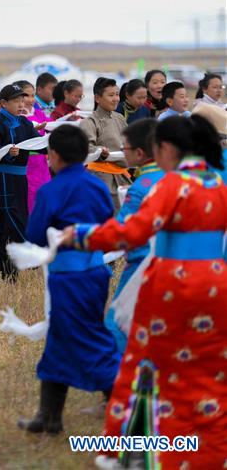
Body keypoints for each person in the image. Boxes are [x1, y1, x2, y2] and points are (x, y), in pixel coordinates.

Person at [65, 115, 227, 470]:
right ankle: (209, 456)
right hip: (216, 286)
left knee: (145, 369)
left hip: (172, 288)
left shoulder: (173, 185)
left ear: (166, 149)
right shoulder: (217, 182)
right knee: (210, 372)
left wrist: (78, 236)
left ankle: (135, 452)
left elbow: (130, 232)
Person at [18, 125, 120, 435]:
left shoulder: (51, 190)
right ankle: (49, 418)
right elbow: (108, 226)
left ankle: (122, 398)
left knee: (87, 338)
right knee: (61, 339)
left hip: (67, 276)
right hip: (97, 271)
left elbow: (34, 235)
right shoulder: (97, 186)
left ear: (54, 156)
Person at [102, 119, 164, 351]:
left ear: (139, 153)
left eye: (124, 148)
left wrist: (82, 239)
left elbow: (121, 232)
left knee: (117, 325)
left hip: (141, 267)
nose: (122, 152)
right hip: (171, 266)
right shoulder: (173, 178)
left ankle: (119, 383)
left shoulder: (141, 187)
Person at [0, 84, 42, 280]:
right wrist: (7, 152)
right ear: (3, 103)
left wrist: (56, 142)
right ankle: (25, 256)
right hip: (1, 181)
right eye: (16, 101)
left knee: (13, 220)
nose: (21, 104)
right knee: (6, 221)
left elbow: (38, 145)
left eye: (22, 100)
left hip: (19, 181)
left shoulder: (25, 124)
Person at [81, 78, 130, 213]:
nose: (115, 99)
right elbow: (87, 148)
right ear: (97, 98)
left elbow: (129, 142)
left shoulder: (119, 118)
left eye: (117, 94)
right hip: (102, 179)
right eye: (111, 95)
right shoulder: (89, 122)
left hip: (123, 177)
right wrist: (100, 151)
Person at [14, 80, 52, 213]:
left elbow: (51, 126)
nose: (30, 100)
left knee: (45, 199)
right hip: (26, 164)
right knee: (29, 201)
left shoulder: (39, 113)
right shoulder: (16, 117)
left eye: (32, 95)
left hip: (41, 164)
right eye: (26, 95)